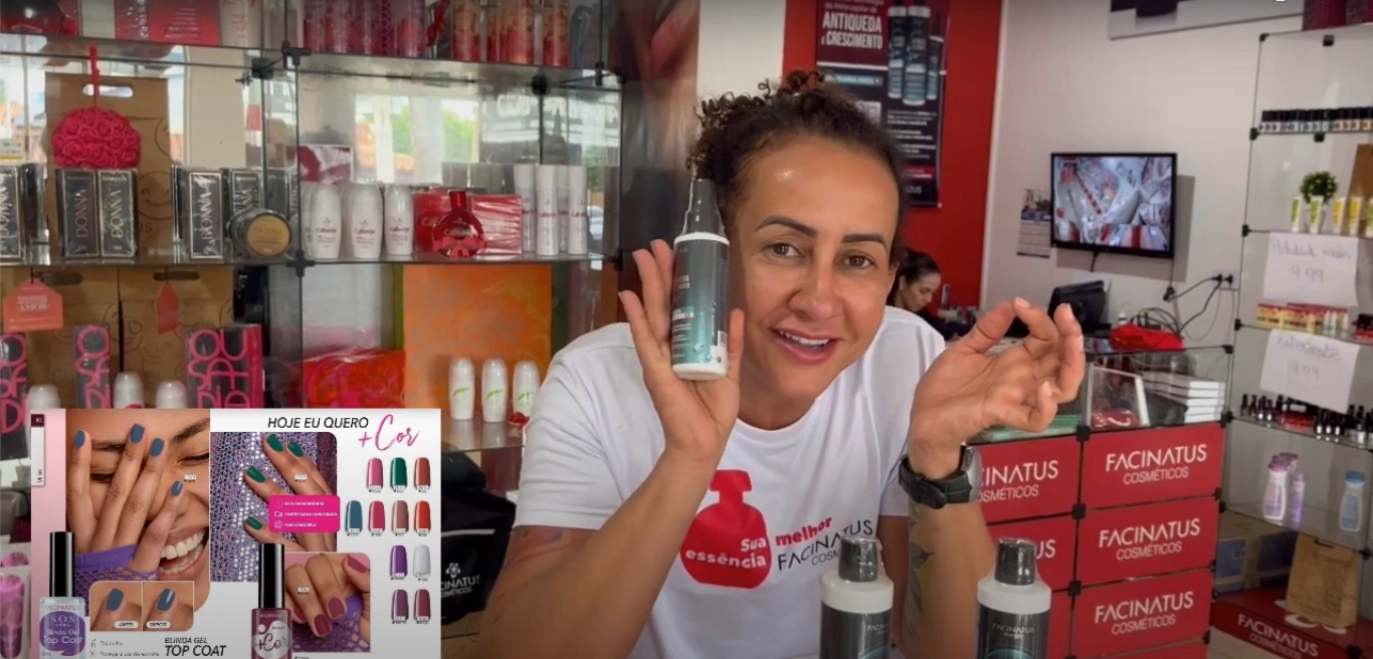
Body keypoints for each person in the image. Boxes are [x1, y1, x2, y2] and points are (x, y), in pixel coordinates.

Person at [477, 71, 1084, 659]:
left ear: (889, 278)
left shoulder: (909, 362)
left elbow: (946, 650)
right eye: (784, 248)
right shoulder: (594, 381)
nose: (819, 301)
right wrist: (688, 460)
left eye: (857, 260)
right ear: (714, 255)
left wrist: (937, 460)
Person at [888, 251, 956, 339]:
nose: (929, 299)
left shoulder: (924, 318)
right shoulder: (883, 317)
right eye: (923, 291)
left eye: (932, 293)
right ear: (903, 282)